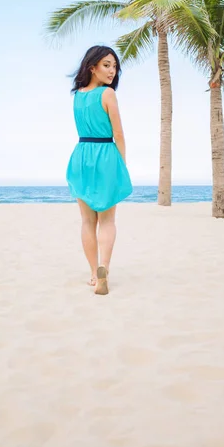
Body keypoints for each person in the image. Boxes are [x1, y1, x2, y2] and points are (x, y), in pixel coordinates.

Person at [66, 46, 133, 295]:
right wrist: (121, 165)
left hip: (81, 156)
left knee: (86, 221)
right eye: (106, 65)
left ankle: (94, 274)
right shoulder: (107, 94)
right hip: (105, 156)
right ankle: (104, 266)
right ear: (91, 66)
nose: (112, 71)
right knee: (107, 220)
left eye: (114, 66)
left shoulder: (78, 96)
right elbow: (118, 133)